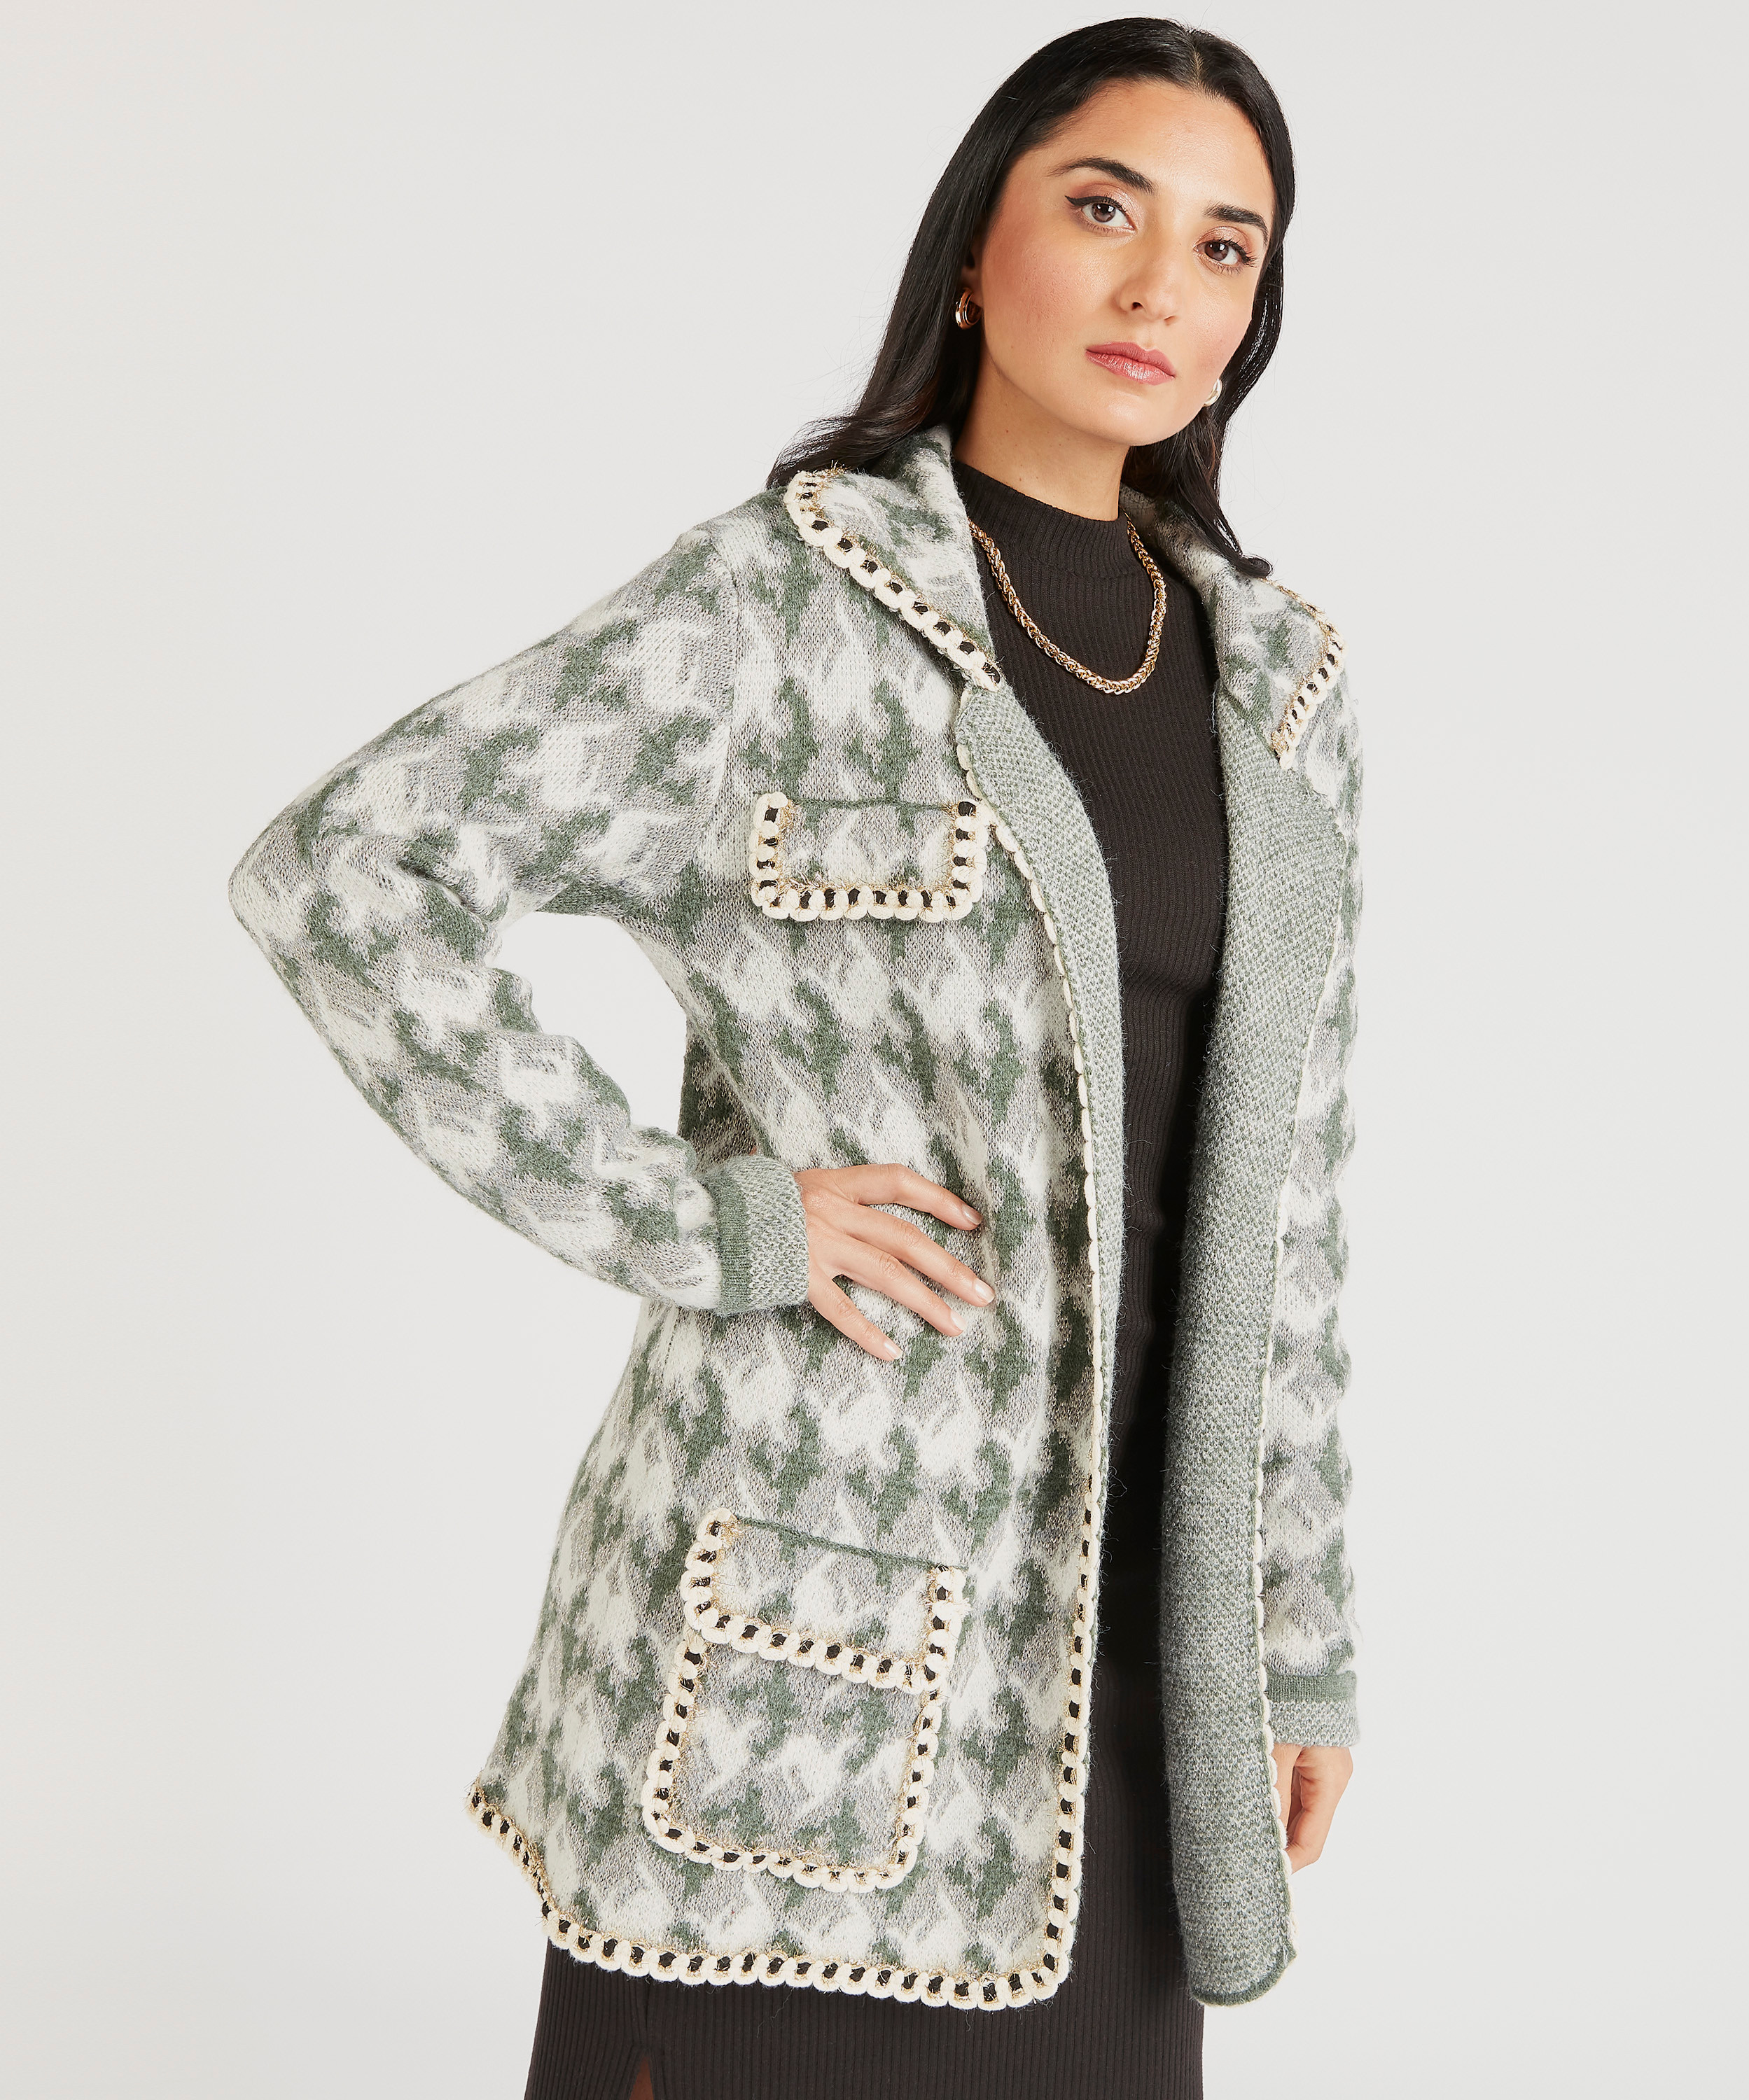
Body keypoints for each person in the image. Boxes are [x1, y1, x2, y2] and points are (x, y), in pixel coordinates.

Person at [229, 19, 1363, 2099]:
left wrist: (1294, 1637)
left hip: (1138, 1668)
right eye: (1103, 208)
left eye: (1225, 247)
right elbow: (350, 869)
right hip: (810, 1657)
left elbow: (1291, 1206)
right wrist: (713, 1221)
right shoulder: (781, 607)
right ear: (974, 251)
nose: (1159, 286)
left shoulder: (1279, 688)